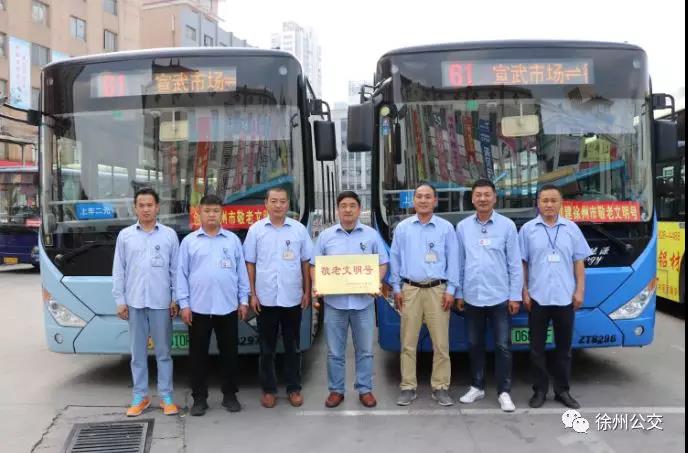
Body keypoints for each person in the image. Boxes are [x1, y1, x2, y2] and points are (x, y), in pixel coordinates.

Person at [310, 191, 389, 408]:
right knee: (335, 352)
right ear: (338, 209)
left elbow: (382, 263)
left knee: (365, 350)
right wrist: (317, 284)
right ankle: (336, 390)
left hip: (363, 303)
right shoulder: (326, 236)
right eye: (343, 205)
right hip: (334, 304)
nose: (347, 209)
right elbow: (315, 265)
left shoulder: (371, 235)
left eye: (352, 205)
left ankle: (365, 389)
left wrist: (376, 282)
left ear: (359, 209)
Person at [177, 194, 250, 416]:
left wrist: (243, 300)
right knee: (198, 356)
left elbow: (241, 273)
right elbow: (181, 275)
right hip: (198, 308)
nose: (211, 215)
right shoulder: (189, 242)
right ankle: (199, 399)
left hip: (228, 307)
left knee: (229, 354)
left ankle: (230, 395)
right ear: (199, 213)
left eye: (216, 211)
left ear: (222, 214)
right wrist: (184, 304)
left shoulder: (232, 240)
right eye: (207, 211)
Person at [519, 184, 591, 409]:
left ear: (561, 203)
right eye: (544, 201)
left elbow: (579, 262)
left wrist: (580, 290)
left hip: (565, 298)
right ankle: (539, 390)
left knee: (564, 349)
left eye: (553, 200)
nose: (549, 205)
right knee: (536, 349)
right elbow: (522, 263)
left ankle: (562, 390)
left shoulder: (571, 228)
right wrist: (524, 291)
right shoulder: (528, 230)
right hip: (538, 298)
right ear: (538, 204)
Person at [390, 182, 460, 406]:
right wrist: (396, 288)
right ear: (413, 201)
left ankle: (440, 387)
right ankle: (407, 386)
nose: (423, 200)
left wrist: (451, 290)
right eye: (419, 196)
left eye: (428, 196)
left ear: (435, 201)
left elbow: (454, 260)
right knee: (408, 343)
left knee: (441, 344)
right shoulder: (403, 228)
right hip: (410, 290)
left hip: (438, 290)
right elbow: (394, 258)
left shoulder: (446, 228)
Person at [455, 178, 523, 412]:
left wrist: (515, 296)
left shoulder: (507, 226)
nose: (482, 199)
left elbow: (514, 264)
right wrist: (459, 293)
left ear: (495, 198)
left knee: (503, 345)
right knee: (474, 344)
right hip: (472, 296)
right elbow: (459, 263)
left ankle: (504, 391)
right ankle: (477, 386)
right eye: (478, 195)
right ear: (472, 199)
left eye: (487, 195)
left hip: (500, 296)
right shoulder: (463, 227)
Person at [112, 187, 180, 417]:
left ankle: (166, 396)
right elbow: (119, 270)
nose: (146, 209)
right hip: (135, 302)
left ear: (157, 207)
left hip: (161, 302)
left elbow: (175, 270)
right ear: (135, 208)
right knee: (137, 354)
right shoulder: (125, 236)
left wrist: (175, 298)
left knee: (164, 352)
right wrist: (120, 300)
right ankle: (140, 396)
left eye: (150, 205)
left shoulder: (169, 235)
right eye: (141, 205)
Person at [243, 187, 313, 408]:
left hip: (292, 297)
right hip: (265, 299)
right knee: (266, 349)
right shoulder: (256, 230)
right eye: (273, 201)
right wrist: (252, 294)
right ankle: (269, 389)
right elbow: (250, 264)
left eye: (282, 201)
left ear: (288, 204)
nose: (278, 205)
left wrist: (307, 291)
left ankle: (294, 388)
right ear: (266, 203)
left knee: (293, 347)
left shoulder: (298, 230)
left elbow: (305, 263)